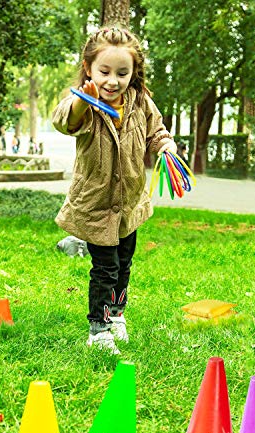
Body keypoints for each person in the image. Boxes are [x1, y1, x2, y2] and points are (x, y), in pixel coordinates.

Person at [52, 26, 177, 355]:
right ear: (89, 68)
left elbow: (157, 131)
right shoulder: (85, 103)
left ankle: (116, 315)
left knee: (124, 264)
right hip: (97, 205)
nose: (113, 80)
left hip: (129, 204)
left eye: (123, 72)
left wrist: (166, 146)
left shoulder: (140, 102)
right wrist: (83, 103)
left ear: (134, 72)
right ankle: (98, 329)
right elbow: (63, 120)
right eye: (104, 71)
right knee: (105, 267)